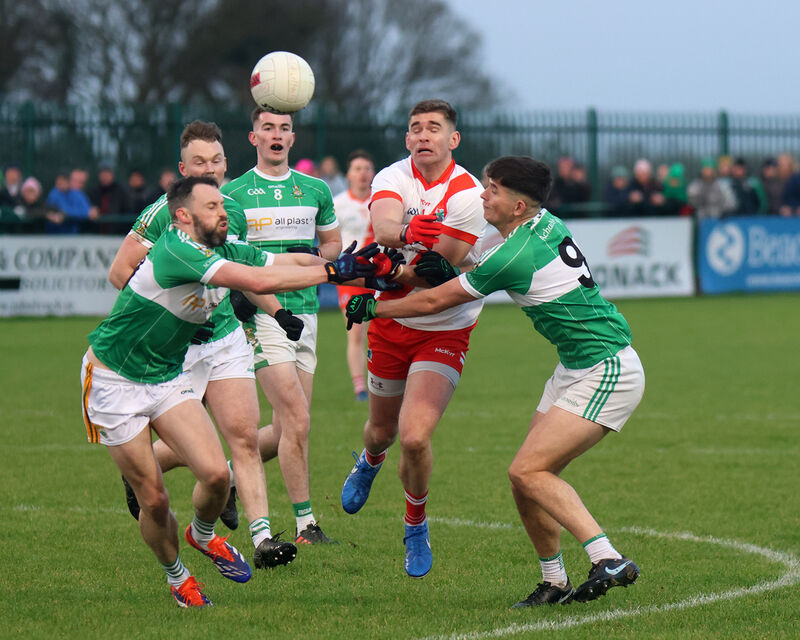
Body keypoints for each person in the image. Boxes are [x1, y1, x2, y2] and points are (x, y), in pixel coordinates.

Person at [345, 155, 645, 607]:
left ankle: (607, 557)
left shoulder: (515, 252)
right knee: (524, 478)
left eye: (493, 190)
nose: (482, 195)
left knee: (527, 470)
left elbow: (436, 302)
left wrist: (373, 306)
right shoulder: (534, 226)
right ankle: (554, 581)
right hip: (575, 367)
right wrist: (398, 271)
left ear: (519, 205)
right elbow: (455, 267)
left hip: (607, 368)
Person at [82, 175, 374, 607]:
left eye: (222, 204)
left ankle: (201, 536)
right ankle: (177, 576)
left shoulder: (220, 248)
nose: (224, 211)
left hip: (164, 376)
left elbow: (274, 264)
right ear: (183, 216)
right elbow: (256, 282)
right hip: (113, 382)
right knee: (155, 500)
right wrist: (330, 273)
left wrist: (336, 266)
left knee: (218, 475)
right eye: (213, 206)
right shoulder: (178, 249)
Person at [108, 121, 307, 570]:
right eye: (200, 162)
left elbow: (247, 270)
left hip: (224, 339)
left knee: (243, 437)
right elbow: (121, 272)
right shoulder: (163, 213)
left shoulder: (231, 211)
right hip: (176, 350)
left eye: (217, 161)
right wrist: (169, 318)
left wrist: (278, 312)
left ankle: (261, 540)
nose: (210, 169)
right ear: (183, 169)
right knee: (202, 452)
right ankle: (144, 467)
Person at [339, 99, 485, 578]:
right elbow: (382, 226)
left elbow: (438, 275)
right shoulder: (391, 177)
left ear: (453, 139)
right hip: (393, 326)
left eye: (434, 128)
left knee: (416, 437)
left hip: (443, 327)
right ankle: (369, 459)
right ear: (407, 139)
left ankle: (415, 524)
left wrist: (393, 266)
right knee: (382, 431)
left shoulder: (468, 193)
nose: (423, 135)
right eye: (416, 128)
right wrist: (402, 233)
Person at [222, 107, 343, 545]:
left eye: (284, 128)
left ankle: (227, 479)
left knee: (294, 424)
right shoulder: (233, 194)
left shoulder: (315, 189)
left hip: (307, 312)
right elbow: (232, 259)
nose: (276, 134)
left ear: (293, 138)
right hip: (262, 315)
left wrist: (320, 256)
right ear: (253, 136)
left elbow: (332, 244)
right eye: (268, 128)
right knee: (296, 418)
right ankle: (307, 525)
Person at [332, 150, 376, 401]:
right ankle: (360, 387)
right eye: (358, 168)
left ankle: (381, 382)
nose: (363, 173)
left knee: (380, 330)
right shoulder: (339, 204)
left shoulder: (382, 201)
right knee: (356, 330)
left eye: (367, 168)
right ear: (348, 174)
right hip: (349, 276)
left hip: (379, 273)